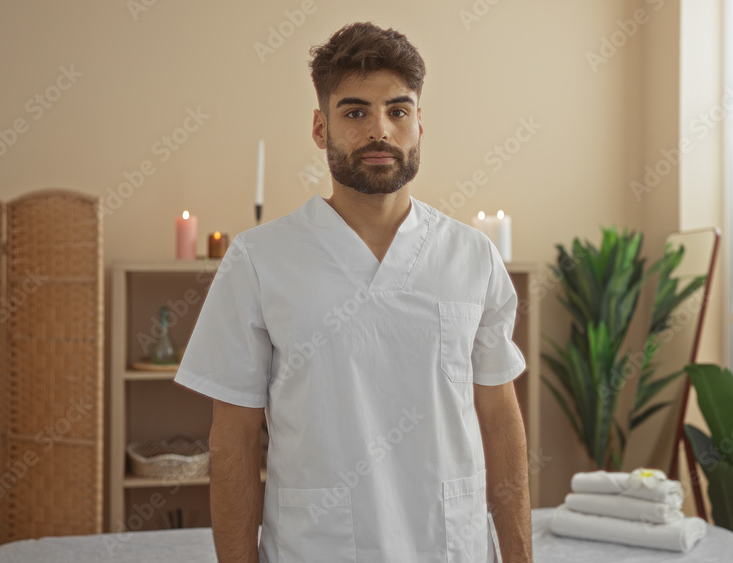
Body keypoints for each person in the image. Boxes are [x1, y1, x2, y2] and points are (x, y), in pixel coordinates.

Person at [175, 21, 533, 563]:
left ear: (419, 123)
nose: (380, 131)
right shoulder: (259, 260)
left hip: (449, 546)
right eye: (355, 112)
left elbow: (500, 417)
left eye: (398, 110)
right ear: (321, 128)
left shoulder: (471, 256)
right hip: (319, 547)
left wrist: (520, 556)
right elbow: (234, 440)